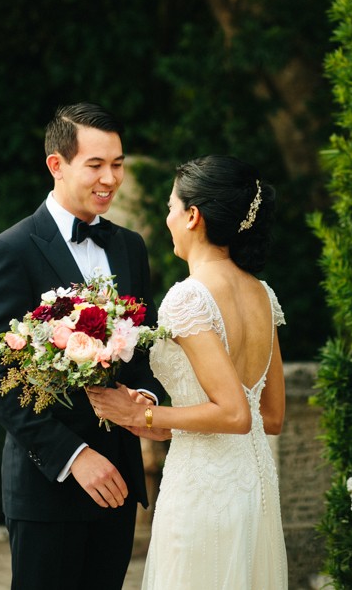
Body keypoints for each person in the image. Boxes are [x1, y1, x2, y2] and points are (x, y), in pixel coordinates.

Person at [0, 102, 164, 590]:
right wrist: (75, 456)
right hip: (47, 489)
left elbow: (140, 354)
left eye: (117, 164)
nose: (111, 178)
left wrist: (145, 402)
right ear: (56, 165)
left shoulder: (130, 246)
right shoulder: (8, 252)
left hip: (119, 484)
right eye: (96, 165)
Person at [89, 155, 288, 589]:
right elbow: (268, 417)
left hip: (203, 491)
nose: (168, 218)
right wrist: (171, 422)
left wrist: (139, 415)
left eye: (170, 207)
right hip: (254, 484)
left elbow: (234, 415)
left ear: (193, 216)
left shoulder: (188, 298)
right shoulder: (262, 294)